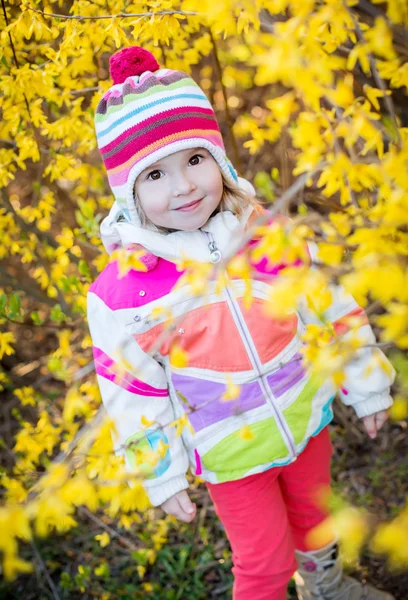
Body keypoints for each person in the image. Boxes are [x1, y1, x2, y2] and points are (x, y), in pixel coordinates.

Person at [87, 46, 395, 600]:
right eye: (154, 173)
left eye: (195, 160)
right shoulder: (124, 290)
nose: (183, 186)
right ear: (127, 194)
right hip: (232, 453)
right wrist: (160, 472)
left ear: (220, 161)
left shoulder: (263, 233)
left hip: (307, 417)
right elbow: (129, 389)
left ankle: (326, 585)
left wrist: (366, 382)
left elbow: (327, 304)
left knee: (315, 517)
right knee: (262, 565)